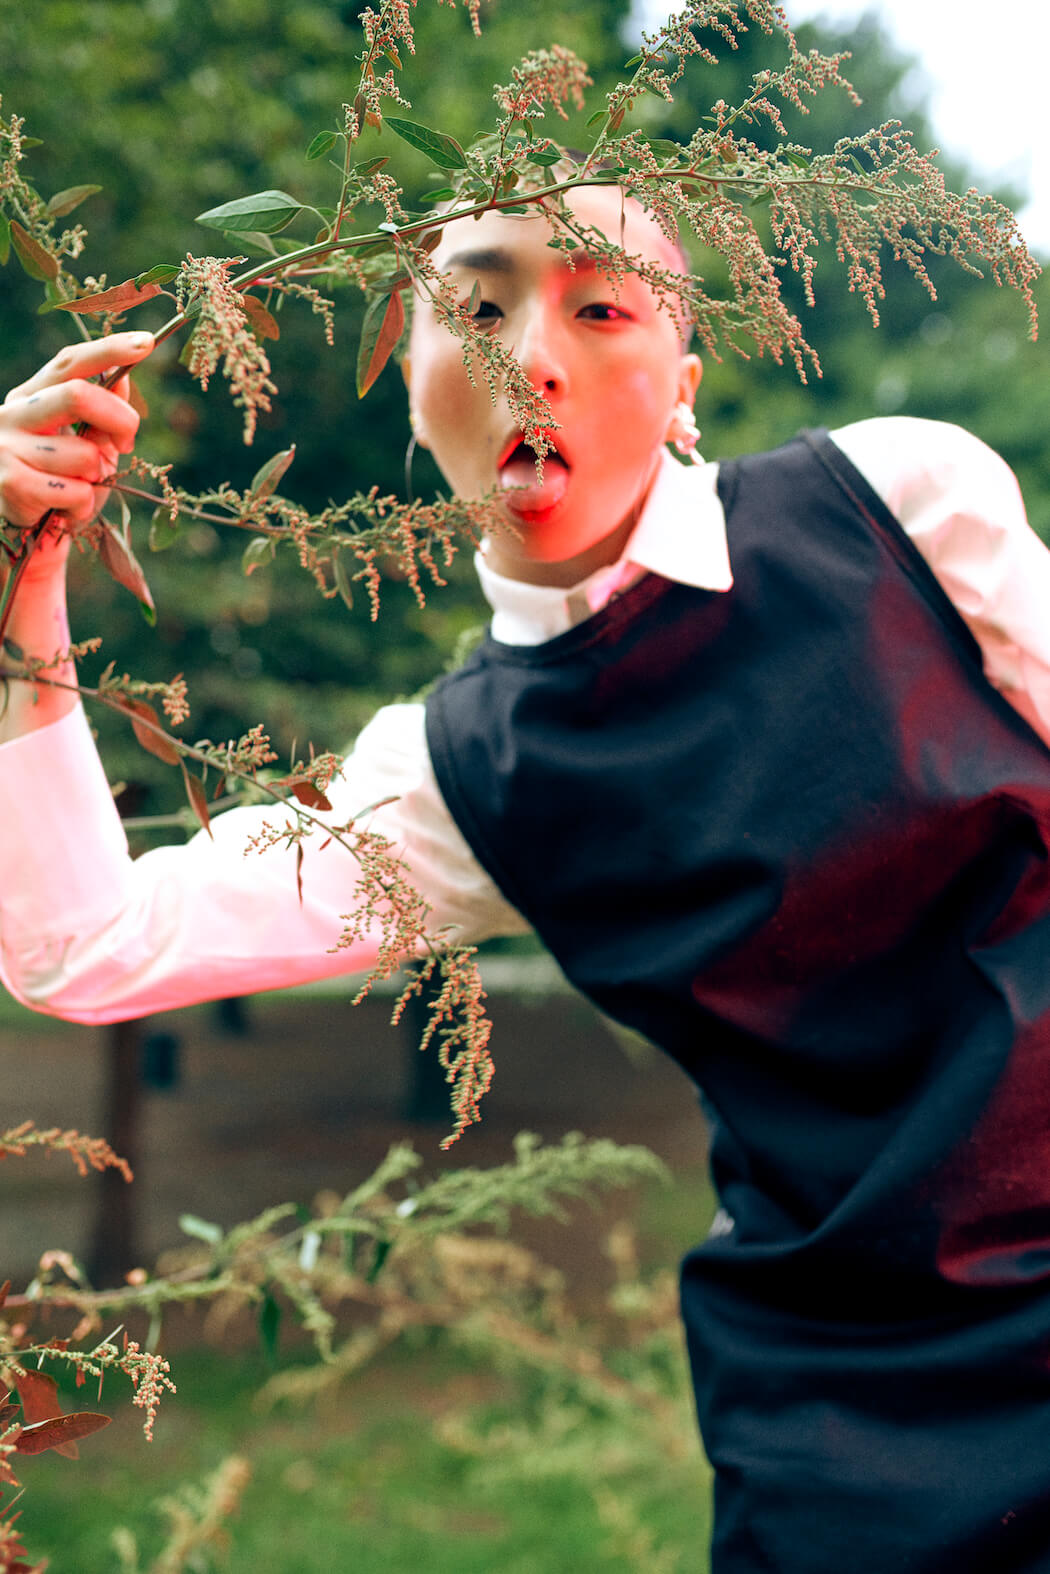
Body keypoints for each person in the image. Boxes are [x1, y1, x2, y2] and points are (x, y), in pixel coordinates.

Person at [3, 183, 1050, 1572]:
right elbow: (82, 943)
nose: (529, 358)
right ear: (413, 382)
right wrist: (21, 582)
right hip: (848, 1426)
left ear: (684, 388)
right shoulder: (458, 776)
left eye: (599, 306)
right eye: (478, 310)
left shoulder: (898, 506)